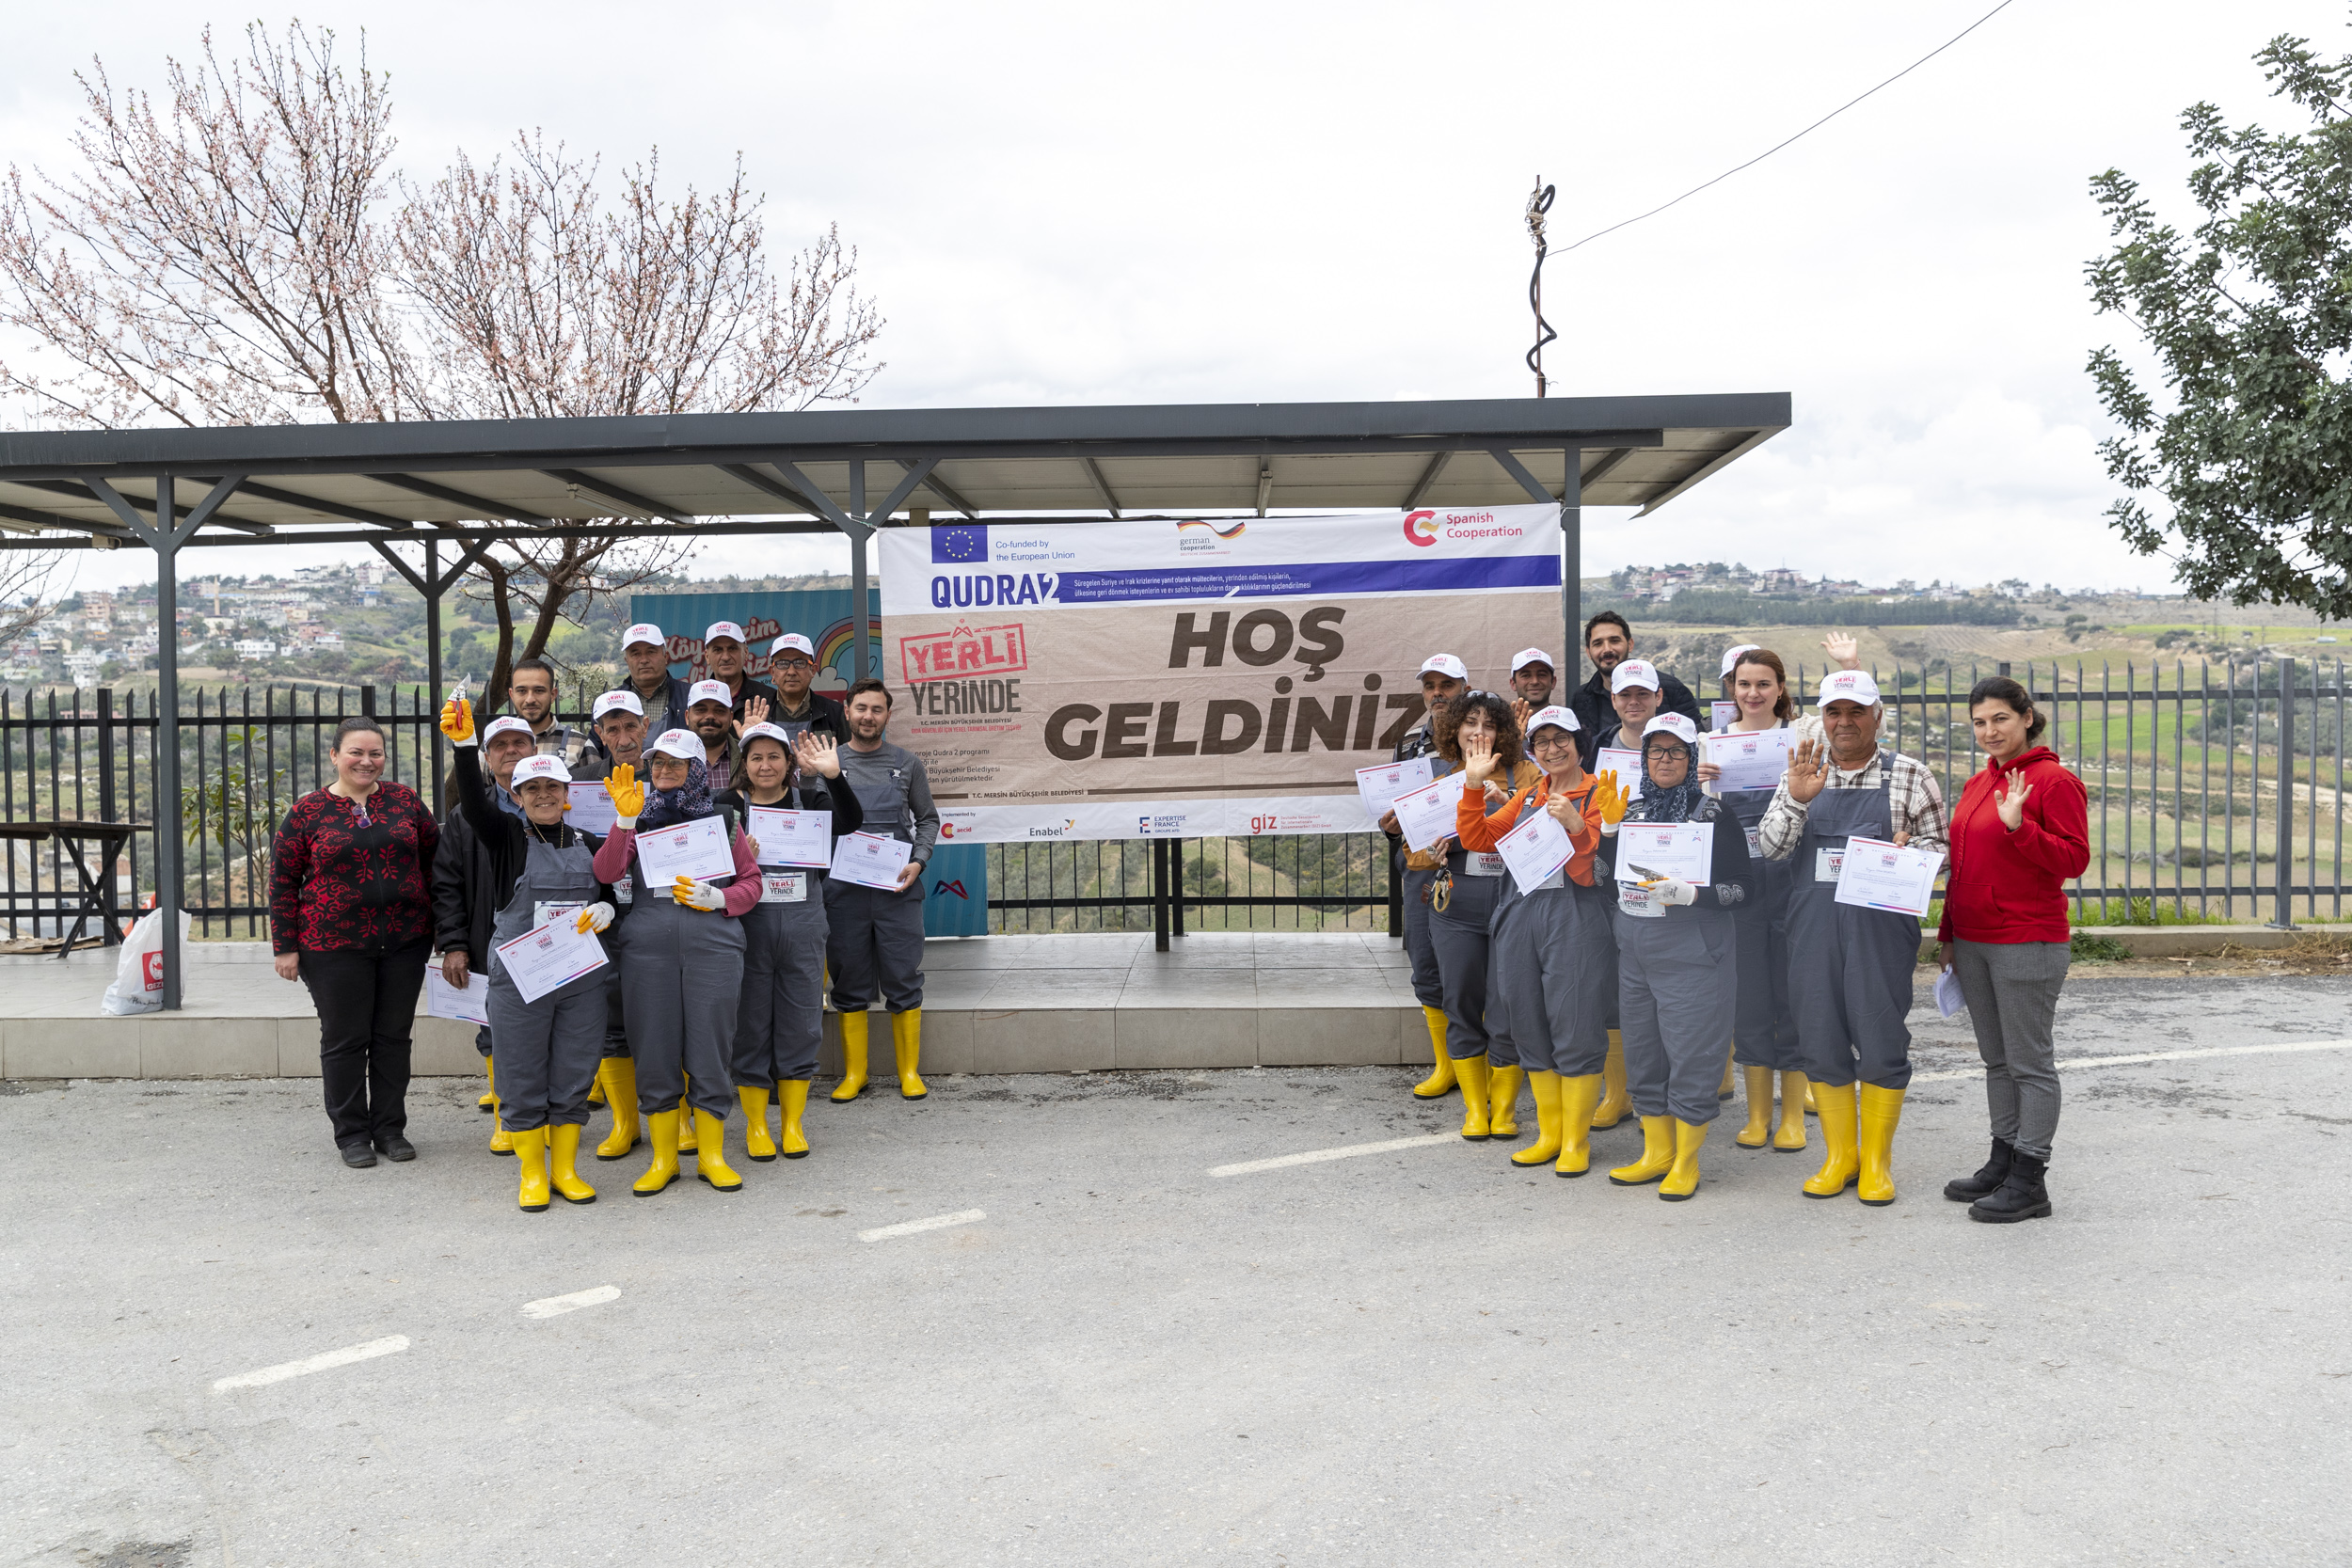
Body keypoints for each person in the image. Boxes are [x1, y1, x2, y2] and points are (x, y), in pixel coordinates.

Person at [1758, 670, 1948, 1205]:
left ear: (1877, 717)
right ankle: (1840, 1157)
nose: (1844, 722)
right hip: (1812, 931)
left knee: (1882, 1040)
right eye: (1834, 712)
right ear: (1822, 718)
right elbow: (1770, 849)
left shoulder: (1910, 774)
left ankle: (1877, 1163)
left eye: (1856, 711)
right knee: (1819, 1040)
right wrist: (1798, 800)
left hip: (1879, 932)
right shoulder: (1801, 772)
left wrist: (1908, 855)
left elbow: (1943, 851)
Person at [439, 703, 620, 1212]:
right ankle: (533, 1173)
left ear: (567, 794)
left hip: (580, 977)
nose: (543, 795)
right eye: (532, 789)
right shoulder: (506, 840)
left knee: (575, 1069)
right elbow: (474, 805)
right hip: (521, 978)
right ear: (516, 797)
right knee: (519, 1072)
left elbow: (614, 887)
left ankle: (565, 1168)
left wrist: (608, 908)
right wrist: (464, 746)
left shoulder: (591, 842)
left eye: (552, 787)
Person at [1937, 676, 2088, 1224]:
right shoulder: (1981, 782)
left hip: (2027, 939)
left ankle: (2030, 1180)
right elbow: (1962, 867)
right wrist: (1949, 933)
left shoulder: (2054, 781)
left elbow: (2073, 859)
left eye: (2000, 718)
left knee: (2030, 1064)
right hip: (1974, 939)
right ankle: (2002, 1161)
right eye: (1979, 722)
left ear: (2027, 717)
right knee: (1996, 1060)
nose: (1989, 731)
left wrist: (2021, 827)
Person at [1454, 705, 1628, 1173]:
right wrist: (1472, 786)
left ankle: (1575, 1142)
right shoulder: (1529, 796)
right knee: (1526, 1020)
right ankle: (1549, 1136)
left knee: (1575, 1023)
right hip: (1520, 914)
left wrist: (1577, 824)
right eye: (1542, 742)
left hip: (1576, 919)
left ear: (1578, 742)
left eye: (1561, 739)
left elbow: (1595, 873)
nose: (1552, 749)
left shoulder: (1600, 793)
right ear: (1533, 750)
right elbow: (1478, 838)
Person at [592, 731, 765, 1195]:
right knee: (654, 1049)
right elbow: (606, 872)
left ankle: (711, 1156)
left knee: (711, 1048)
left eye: (675, 763)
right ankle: (664, 1158)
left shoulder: (724, 819)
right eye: (658, 763)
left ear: (696, 770)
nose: (664, 771)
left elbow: (752, 883)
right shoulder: (639, 819)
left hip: (714, 948)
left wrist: (721, 898)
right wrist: (624, 821)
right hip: (648, 951)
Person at [1596, 714, 1756, 1200]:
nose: (1665, 760)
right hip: (1636, 948)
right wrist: (1608, 830)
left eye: (1676, 751)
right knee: (1643, 1050)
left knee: (1692, 1052)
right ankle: (1656, 1152)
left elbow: (1744, 889)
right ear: (1644, 758)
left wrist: (1695, 894)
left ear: (1691, 758)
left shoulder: (1714, 815)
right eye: (1656, 751)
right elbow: (1603, 879)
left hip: (1694, 948)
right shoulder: (1631, 809)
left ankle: (1686, 1160)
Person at [269, 717, 440, 1168]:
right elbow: (282, 882)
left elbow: (435, 863)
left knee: (393, 1039)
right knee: (345, 1040)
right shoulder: (307, 812)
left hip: (405, 941)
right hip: (332, 946)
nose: (366, 761)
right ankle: (351, 1135)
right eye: (356, 753)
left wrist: (443, 928)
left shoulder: (405, 802)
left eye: (375, 753)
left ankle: (389, 1129)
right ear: (335, 756)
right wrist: (284, 946)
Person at [716, 723, 865, 1160]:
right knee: (751, 1025)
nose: (765, 766)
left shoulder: (811, 802)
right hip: (751, 929)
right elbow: (709, 865)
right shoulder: (727, 806)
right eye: (756, 758)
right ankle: (757, 1125)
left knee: (801, 1024)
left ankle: (793, 1124)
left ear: (788, 763)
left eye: (774, 757)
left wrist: (833, 776)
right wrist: (736, 854)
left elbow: (851, 822)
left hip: (803, 928)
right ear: (744, 764)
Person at [1697, 646, 1808, 1153]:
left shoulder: (1800, 737)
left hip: (1791, 879)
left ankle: (1793, 1116)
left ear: (1780, 688)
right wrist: (1702, 787)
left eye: (1764, 683)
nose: (1753, 693)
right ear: (1732, 689)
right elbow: (1701, 818)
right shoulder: (1711, 743)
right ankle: (1758, 1114)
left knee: (1793, 992)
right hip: (1740, 882)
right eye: (1744, 684)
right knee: (1750, 998)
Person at [1421, 691, 1543, 1138]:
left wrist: (1508, 798)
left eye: (1489, 725)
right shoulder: (1439, 779)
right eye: (1470, 723)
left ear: (1504, 733)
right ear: (1454, 730)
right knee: (1460, 1002)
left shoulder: (1527, 772)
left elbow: (1547, 828)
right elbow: (1414, 854)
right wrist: (1431, 850)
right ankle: (1475, 1109)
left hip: (1512, 902)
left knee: (1508, 1004)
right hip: (1457, 907)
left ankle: (1504, 1108)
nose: (1479, 732)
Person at [827, 677, 941, 1101]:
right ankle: (854, 1074)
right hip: (843, 894)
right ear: (847, 711)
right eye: (861, 708)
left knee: (903, 976)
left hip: (897, 890)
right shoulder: (829, 763)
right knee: (848, 979)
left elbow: (928, 819)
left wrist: (919, 860)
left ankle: (908, 1072)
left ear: (888, 715)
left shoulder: (907, 764)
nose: (868, 716)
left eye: (877, 709)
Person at [432, 715, 536, 1150]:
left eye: (519, 743)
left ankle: (541, 1118)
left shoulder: (556, 804)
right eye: (500, 745)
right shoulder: (464, 818)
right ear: (487, 758)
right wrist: (454, 944)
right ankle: (506, 1120)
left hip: (547, 940)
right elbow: (446, 883)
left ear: (534, 750)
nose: (510, 751)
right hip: (485, 939)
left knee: (548, 1030)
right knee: (494, 1031)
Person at [1378, 654, 1470, 1099]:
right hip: (1420, 871)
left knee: (1470, 969)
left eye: (1446, 685)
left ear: (1464, 688)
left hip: (1471, 868)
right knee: (1426, 965)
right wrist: (1390, 826)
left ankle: (1477, 1065)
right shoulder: (1410, 741)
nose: (1437, 693)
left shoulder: (1480, 735)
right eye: (1430, 685)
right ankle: (1445, 1066)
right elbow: (1395, 804)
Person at [582, 690, 649, 1159]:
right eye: (612, 729)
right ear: (599, 734)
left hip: (658, 913)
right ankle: (626, 1123)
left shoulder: (668, 771)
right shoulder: (580, 783)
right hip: (606, 914)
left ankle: (679, 1117)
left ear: (645, 726)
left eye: (630, 727)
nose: (623, 738)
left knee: (667, 1015)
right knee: (610, 1022)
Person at [1567, 611, 1699, 740]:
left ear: (1630, 645)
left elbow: (1694, 740)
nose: (1607, 649)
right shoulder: (1581, 698)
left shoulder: (1673, 690)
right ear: (1588, 652)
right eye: (1598, 644)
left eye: (1614, 641)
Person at [505, 657, 595, 770]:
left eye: (539, 691)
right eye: (522, 691)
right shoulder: (496, 745)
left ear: (553, 695)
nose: (530, 699)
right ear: (512, 695)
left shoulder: (580, 745)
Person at [768, 633, 851, 748]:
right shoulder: (759, 714)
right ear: (772, 671)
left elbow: (848, 757)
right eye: (783, 664)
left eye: (799, 663)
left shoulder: (835, 713)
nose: (791, 672)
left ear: (813, 670)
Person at [1585, 658, 1666, 766]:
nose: (1633, 702)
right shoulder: (1592, 750)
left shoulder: (1681, 749)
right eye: (1625, 695)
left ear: (1658, 697)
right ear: (1613, 700)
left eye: (1642, 694)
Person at [618, 624, 691, 741]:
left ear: (665, 656)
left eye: (651, 652)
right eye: (636, 654)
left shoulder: (690, 696)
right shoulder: (611, 703)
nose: (644, 660)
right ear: (626, 661)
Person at [702, 621, 781, 720]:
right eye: (718, 650)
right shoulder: (695, 699)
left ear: (746, 653)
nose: (726, 657)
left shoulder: (769, 697)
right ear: (707, 656)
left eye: (732, 648)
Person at [683, 678, 739, 781]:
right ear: (687, 717)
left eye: (719, 711)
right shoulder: (670, 758)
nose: (710, 716)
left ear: (731, 718)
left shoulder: (747, 756)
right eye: (701, 710)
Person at [1507, 648, 1556, 719]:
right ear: (1513, 684)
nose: (1535, 682)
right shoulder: (1501, 724)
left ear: (1553, 681)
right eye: (1526, 675)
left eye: (1541, 675)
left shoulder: (1566, 723)